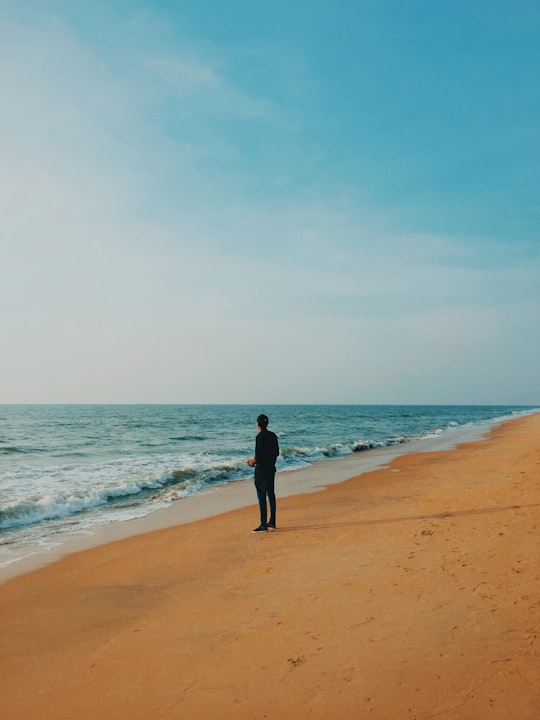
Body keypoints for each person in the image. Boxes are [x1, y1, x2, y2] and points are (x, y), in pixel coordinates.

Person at [247, 413, 279, 532]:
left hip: (261, 470)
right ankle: (273, 521)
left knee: (261, 496)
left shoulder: (259, 437)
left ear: (258, 424)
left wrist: (252, 462)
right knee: (271, 494)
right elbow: (276, 453)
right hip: (271, 468)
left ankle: (263, 524)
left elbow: (258, 456)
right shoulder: (273, 436)